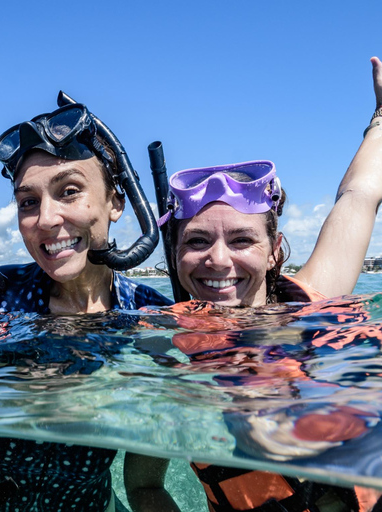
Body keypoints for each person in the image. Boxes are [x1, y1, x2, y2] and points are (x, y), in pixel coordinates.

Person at [154, 56, 382, 512]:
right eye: (197, 241)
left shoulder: (317, 301)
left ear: (276, 250)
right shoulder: (161, 349)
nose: (218, 260)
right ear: (175, 254)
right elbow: (143, 486)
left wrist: (381, 118)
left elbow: (359, 195)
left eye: (242, 239)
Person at [0, 101, 177, 511]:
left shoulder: (154, 322)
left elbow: (146, 487)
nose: (45, 219)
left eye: (69, 191)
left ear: (116, 201)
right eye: (27, 202)